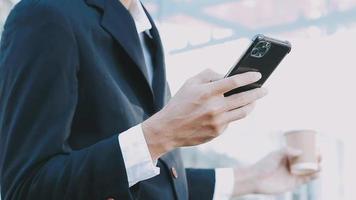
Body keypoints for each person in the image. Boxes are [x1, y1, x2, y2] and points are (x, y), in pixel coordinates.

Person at [0, 0, 321, 199]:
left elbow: (142, 179)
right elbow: (24, 189)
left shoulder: (145, 28)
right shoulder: (44, 14)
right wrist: (160, 135)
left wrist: (253, 178)